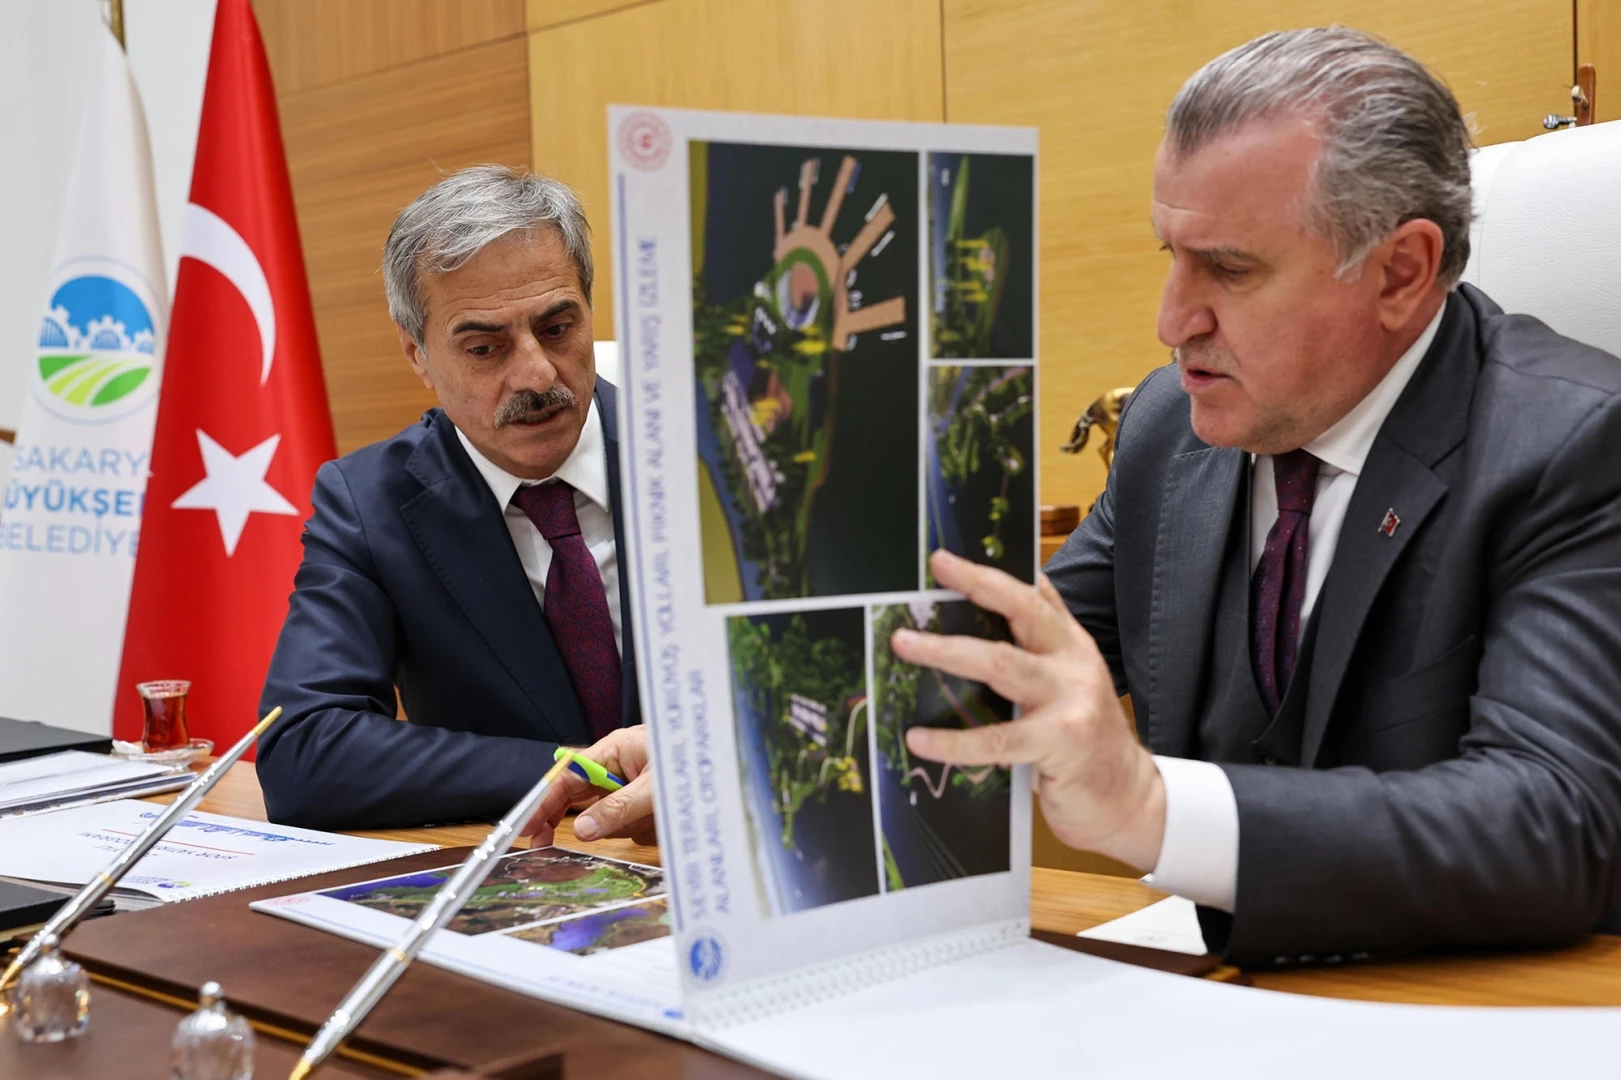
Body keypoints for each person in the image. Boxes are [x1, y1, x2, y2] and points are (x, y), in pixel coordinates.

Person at [532, 28, 1621, 966]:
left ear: (1400, 272)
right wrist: (733, 739)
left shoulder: (1575, 445)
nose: (1171, 320)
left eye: (1229, 270)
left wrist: (1146, 806)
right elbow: (991, 663)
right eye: (1169, 256)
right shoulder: (1167, 431)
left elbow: (1555, 823)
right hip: (1221, 996)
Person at [257, 166, 638, 830]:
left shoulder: (711, 453)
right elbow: (303, 752)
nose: (537, 374)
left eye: (556, 328)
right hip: (529, 867)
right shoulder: (369, 504)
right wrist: (566, 772)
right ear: (418, 355)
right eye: (485, 348)